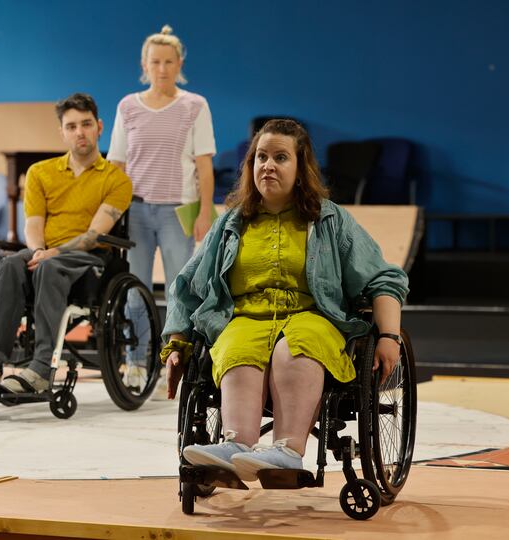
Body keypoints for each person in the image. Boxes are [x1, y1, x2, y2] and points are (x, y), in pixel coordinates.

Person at [161, 119, 409, 481]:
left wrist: (389, 336)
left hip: (313, 315)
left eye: (280, 157)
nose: (268, 165)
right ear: (251, 165)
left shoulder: (329, 220)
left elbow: (383, 277)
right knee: (238, 344)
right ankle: (236, 445)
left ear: (300, 166)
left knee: (295, 346)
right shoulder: (231, 223)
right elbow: (188, 286)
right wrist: (177, 344)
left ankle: (288, 452)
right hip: (245, 317)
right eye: (261, 157)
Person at [0, 93, 133, 394]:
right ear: (62, 132)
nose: (79, 132)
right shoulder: (40, 172)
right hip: (44, 251)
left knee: (50, 267)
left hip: (88, 257)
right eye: (71, 126)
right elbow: (33, 224)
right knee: (9, 265)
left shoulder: (117, 180)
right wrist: (38, 251)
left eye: (86, 124)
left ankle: (40, 368)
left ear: (99, 127)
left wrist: (53, 253)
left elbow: (94, 235)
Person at [107, 24, 216, 388]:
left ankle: (177, 361)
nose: (163, 68)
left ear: (179, 63)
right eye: (156, 61)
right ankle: (137, 361)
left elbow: (204, 165)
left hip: (176, 212)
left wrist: (204, 214)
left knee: (178, 292)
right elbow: (117, 165)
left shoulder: (194, 106)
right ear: (145, 64)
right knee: (134, 290)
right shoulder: (127, 107)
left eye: (169, 61)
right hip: (135, 212)